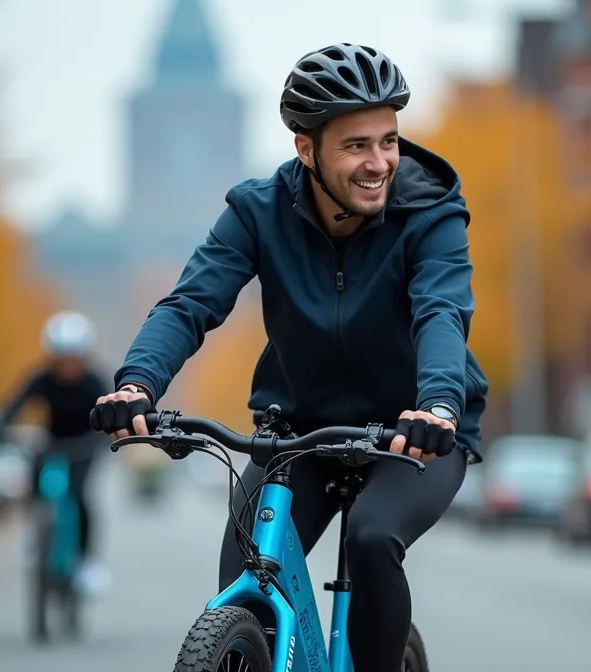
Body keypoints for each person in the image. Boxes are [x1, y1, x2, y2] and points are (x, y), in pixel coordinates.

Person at [90, 43, 488, 671]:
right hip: (300, 433)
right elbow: (191, 302)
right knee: (246, 573)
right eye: (356, 145)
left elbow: (440, 311)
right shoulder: (258, 211)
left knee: (373, 536)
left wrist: (438, 402)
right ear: (307, 150)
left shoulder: (431, 211)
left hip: (416, 437)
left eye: (388, 140)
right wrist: (138, 384)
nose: (379, 162)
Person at [0, 311, 111, 595]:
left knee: (80, 496)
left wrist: (105, 439)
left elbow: (111, 416)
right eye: (61, 359)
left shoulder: (94, 383)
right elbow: (16, 403)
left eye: (74, 359)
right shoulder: (42, 379)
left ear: (84, 357)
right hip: (51, 444)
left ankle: (85, 560)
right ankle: (38, 532)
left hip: (84, 446)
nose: (67, 366)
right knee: (35, 485)